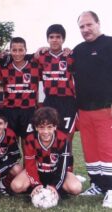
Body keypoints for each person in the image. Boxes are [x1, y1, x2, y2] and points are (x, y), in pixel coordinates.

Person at [73, 11, 112, 208]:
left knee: (109, 148)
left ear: (98, 23)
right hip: (84, 110)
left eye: (89, 25)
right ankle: (97, 184)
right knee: (91, 149)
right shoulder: (78, 50)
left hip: (108, 108)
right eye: (81, 27)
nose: (85, 29)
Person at [10, 107, 82, 200]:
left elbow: (63, 166)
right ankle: (36, 187)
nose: (45, 132)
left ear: (55, 126)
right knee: (16, 186)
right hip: (38, 172)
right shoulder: (30, 139)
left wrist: (55, 186)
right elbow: (30, 164)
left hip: (56, 173)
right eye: (41, 127)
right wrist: (36, 184)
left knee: (76, 188)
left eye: (49, 127)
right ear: (36, 127)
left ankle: (57, 189)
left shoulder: (62, 139)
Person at [36, 24, 77, 171]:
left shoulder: (70, 57)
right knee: (48, 136)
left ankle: (68, 171)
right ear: (47, 39)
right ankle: (49, 168)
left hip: (67, 102)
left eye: (58, 37)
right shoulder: (41, 57)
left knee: (67, 139)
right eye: (51, 37)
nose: (54, 40)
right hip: (50, 101)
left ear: (63, 39)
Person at [0, 37, 41, 149]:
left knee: (27, 144)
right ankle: (13, 166)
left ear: (26, 50)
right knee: (11, 143)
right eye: (14, 50)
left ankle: (27, 166)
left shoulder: (35, 66)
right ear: (10, 50)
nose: (17, 53)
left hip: (29, 110)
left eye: (20, 50)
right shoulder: (4, 67)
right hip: (10, 110)